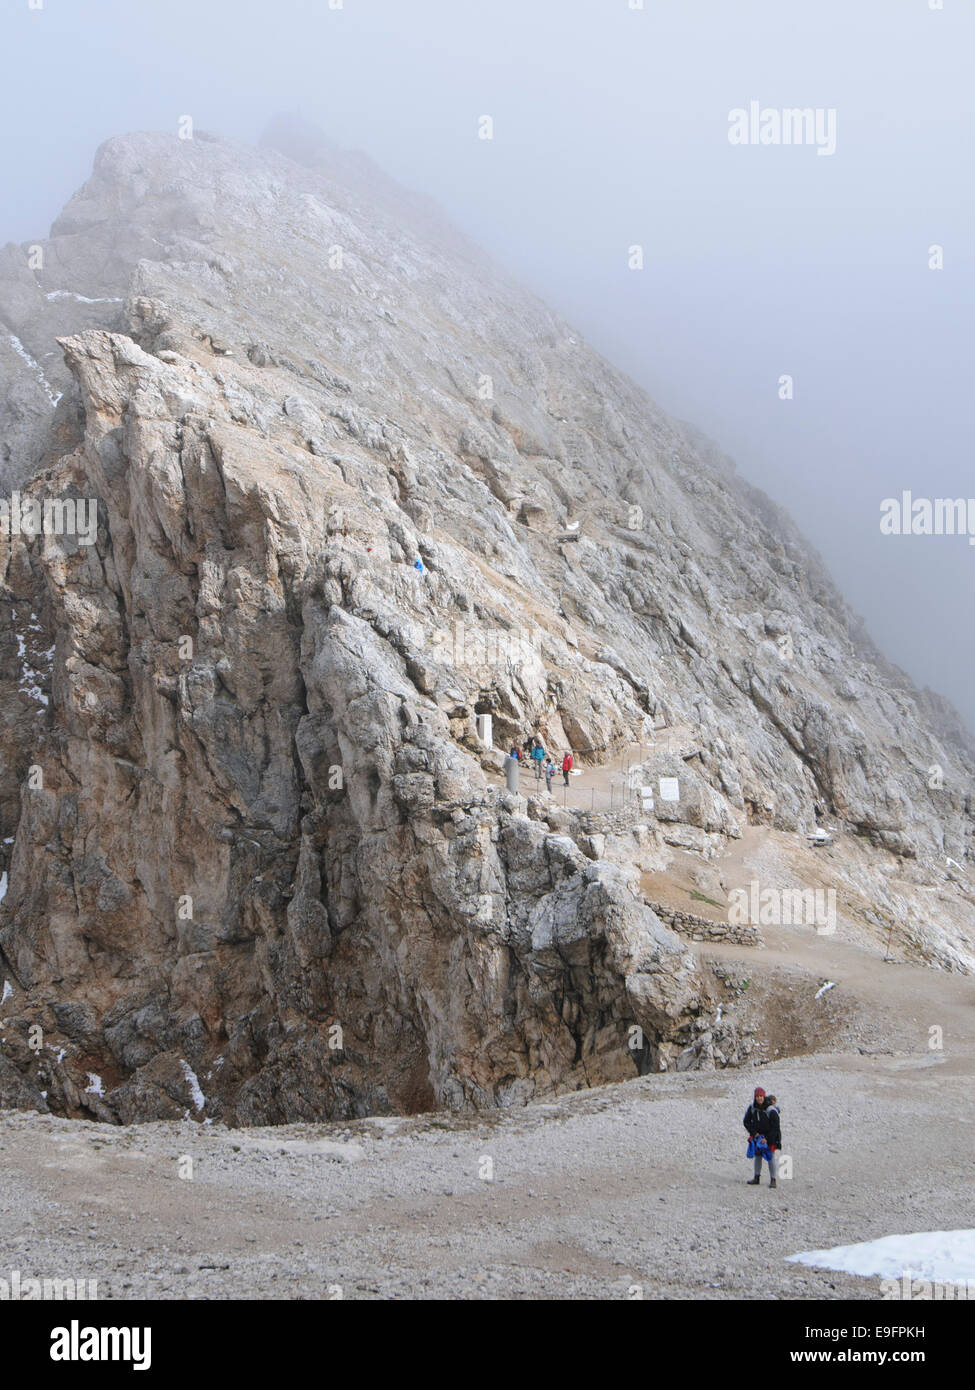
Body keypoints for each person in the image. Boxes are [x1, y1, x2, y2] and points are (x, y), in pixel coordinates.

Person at [743, 1086, 777, 1188]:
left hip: (769, 1137)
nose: (759, 1098)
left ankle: (773, 1180)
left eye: (761, 1096)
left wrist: (767, 1139)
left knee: (770, 1157)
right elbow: (746, 1122)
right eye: (757, 1096)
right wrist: (754, 1134)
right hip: (758, 1137)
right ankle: (756, 1177)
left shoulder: (771, 1110)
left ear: (764, 1096)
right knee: (757, 1157)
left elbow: (775, 1127)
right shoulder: (752, 1108)